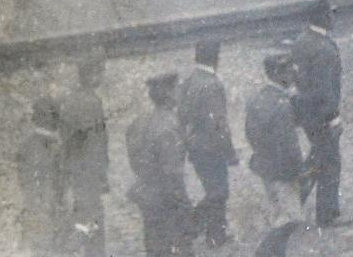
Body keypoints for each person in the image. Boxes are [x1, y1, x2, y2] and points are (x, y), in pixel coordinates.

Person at [290, 0, 346, 229]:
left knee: (316, 158)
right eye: (331, 14)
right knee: (330, 163)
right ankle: (327, 214)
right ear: (322, 17)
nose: (334, 18)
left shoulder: (301, 40)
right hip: (322, 115)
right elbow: (326, 89)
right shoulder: (323, 48)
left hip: (306, 112)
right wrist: (334, 117)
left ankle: (292, 204)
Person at [176, 41, 238, 249]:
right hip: (211, 148)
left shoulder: (188, 81)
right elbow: (219, 124)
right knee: (219, 191)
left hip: (195, 145)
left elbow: (182, 115)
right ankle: (204, 230)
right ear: (216, 57)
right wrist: (230, 152)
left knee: (213, 189)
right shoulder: (212, 84)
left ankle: (209, 230)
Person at [126, 72, 195, 256]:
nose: (180, 92)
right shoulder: (170, 126)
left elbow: (133, 158)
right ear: (170, 94)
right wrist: (185, 207)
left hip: (147, 194)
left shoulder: (138, 122)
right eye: (177, 88)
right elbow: (172, 174)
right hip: (167, 199)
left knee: (154, 245)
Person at [245, 54, 307, 257]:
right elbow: (289, 143)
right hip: (283, 168)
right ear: (277, 74)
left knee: (278, 212)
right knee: (291, 217)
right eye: (288, 70)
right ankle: (264, 252)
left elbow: (250, 133)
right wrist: (299, 170)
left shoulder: (257, 98)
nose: (293, 73)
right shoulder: (282, 103)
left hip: (264, 164)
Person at [59, 57, 109, 257]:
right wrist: (100, 174)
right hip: (88, 172)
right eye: (98, 72)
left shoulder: (71, 100)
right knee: (92, 222)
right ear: (90, 75)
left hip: (77, 171)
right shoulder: (91, 102)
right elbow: (95, 142)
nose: (101, 76)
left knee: (85, 218)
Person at [17, 95, 66, 256]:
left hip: (34, 205)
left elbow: (24, 179)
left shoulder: (27, 144)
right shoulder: (53, 145)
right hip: (48, 207)